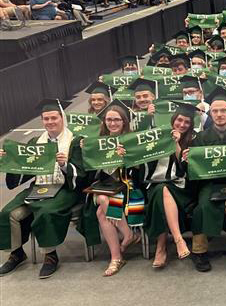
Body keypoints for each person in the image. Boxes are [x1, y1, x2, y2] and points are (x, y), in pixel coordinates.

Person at [0, 99, 84, 279]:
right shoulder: (35, 142)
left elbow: (83, 174)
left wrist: (64, 165)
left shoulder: (75, 141)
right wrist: (8, 160)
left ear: (62, 118)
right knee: (8, 212)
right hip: (39, 187)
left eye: (54, 117)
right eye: (46, 119)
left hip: (65, 188)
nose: (50, 122)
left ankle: (50, 256)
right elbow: (24, 170)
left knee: (45, 212)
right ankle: (17, 253)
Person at [185, 87, 226, 272]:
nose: (219, 114)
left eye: (223, 110)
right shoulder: (201, 138)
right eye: (215, 111)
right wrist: (190, 160)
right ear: (210, 112)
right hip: (210, 184)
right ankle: (199, 251)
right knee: (202, 207)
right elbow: (196, 171)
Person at [79, 101, 141, 277]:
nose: (112, 123)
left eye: (117, 120)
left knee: (101, 212)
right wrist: (87, 153)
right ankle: (128, 234)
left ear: (124, 122)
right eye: (109, 120)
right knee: (102, 197)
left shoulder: (132, 141)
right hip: (103, 187)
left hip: (127, 188)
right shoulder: (97, 142)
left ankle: (116, 258)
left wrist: (127, 158)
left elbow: (141, 172)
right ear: (104, 122)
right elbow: (89, 173)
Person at [136, 103, 196, 268]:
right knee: (161, 190)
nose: (182, 124)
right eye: (179, 120)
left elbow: (187, 169)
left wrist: (176, 144)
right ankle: (178, 240)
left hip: (181, 186)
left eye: (187, 122)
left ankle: (161, 248)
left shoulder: (194, 139)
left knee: (162, 191)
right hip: (155, 184)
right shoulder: (158, 135)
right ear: (173, 120)